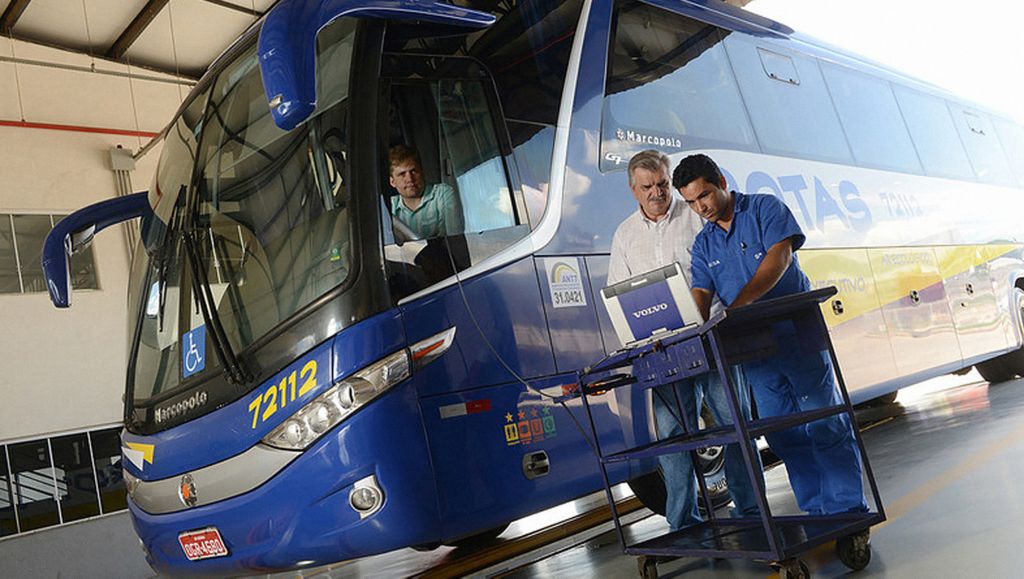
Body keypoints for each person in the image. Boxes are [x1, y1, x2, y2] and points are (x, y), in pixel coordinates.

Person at [673, 153, 869, 521]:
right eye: (691, 202)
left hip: (797, 334)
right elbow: (700, 291)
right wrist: (687, 326)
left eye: (704, 196)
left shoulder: (765, 208)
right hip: (755, 350)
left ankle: (846, 510)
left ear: (722, 183)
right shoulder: (704, 244)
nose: (701, 208)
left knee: (823, 420)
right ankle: (816, 510)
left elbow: (778, 259)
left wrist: (740, 304)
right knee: (783, 433)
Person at [608, 149, 762, 531]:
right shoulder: (624, 234)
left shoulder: (694, 217)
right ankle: (683, 524)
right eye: (648, 187)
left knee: (733, 424)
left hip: (709, 337)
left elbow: (722, 269)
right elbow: (617, 291)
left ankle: (751, 511)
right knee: (673, 438)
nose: (657, 193)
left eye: (662, 183)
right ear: (633, 190)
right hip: (662, 352)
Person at [388, 144, 464, 239]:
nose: (410, 179)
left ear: (422, 172)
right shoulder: (389, 206)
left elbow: (451, 238)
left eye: (414, 171)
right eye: (402, 174)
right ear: (392, 181)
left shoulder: (443, 194)